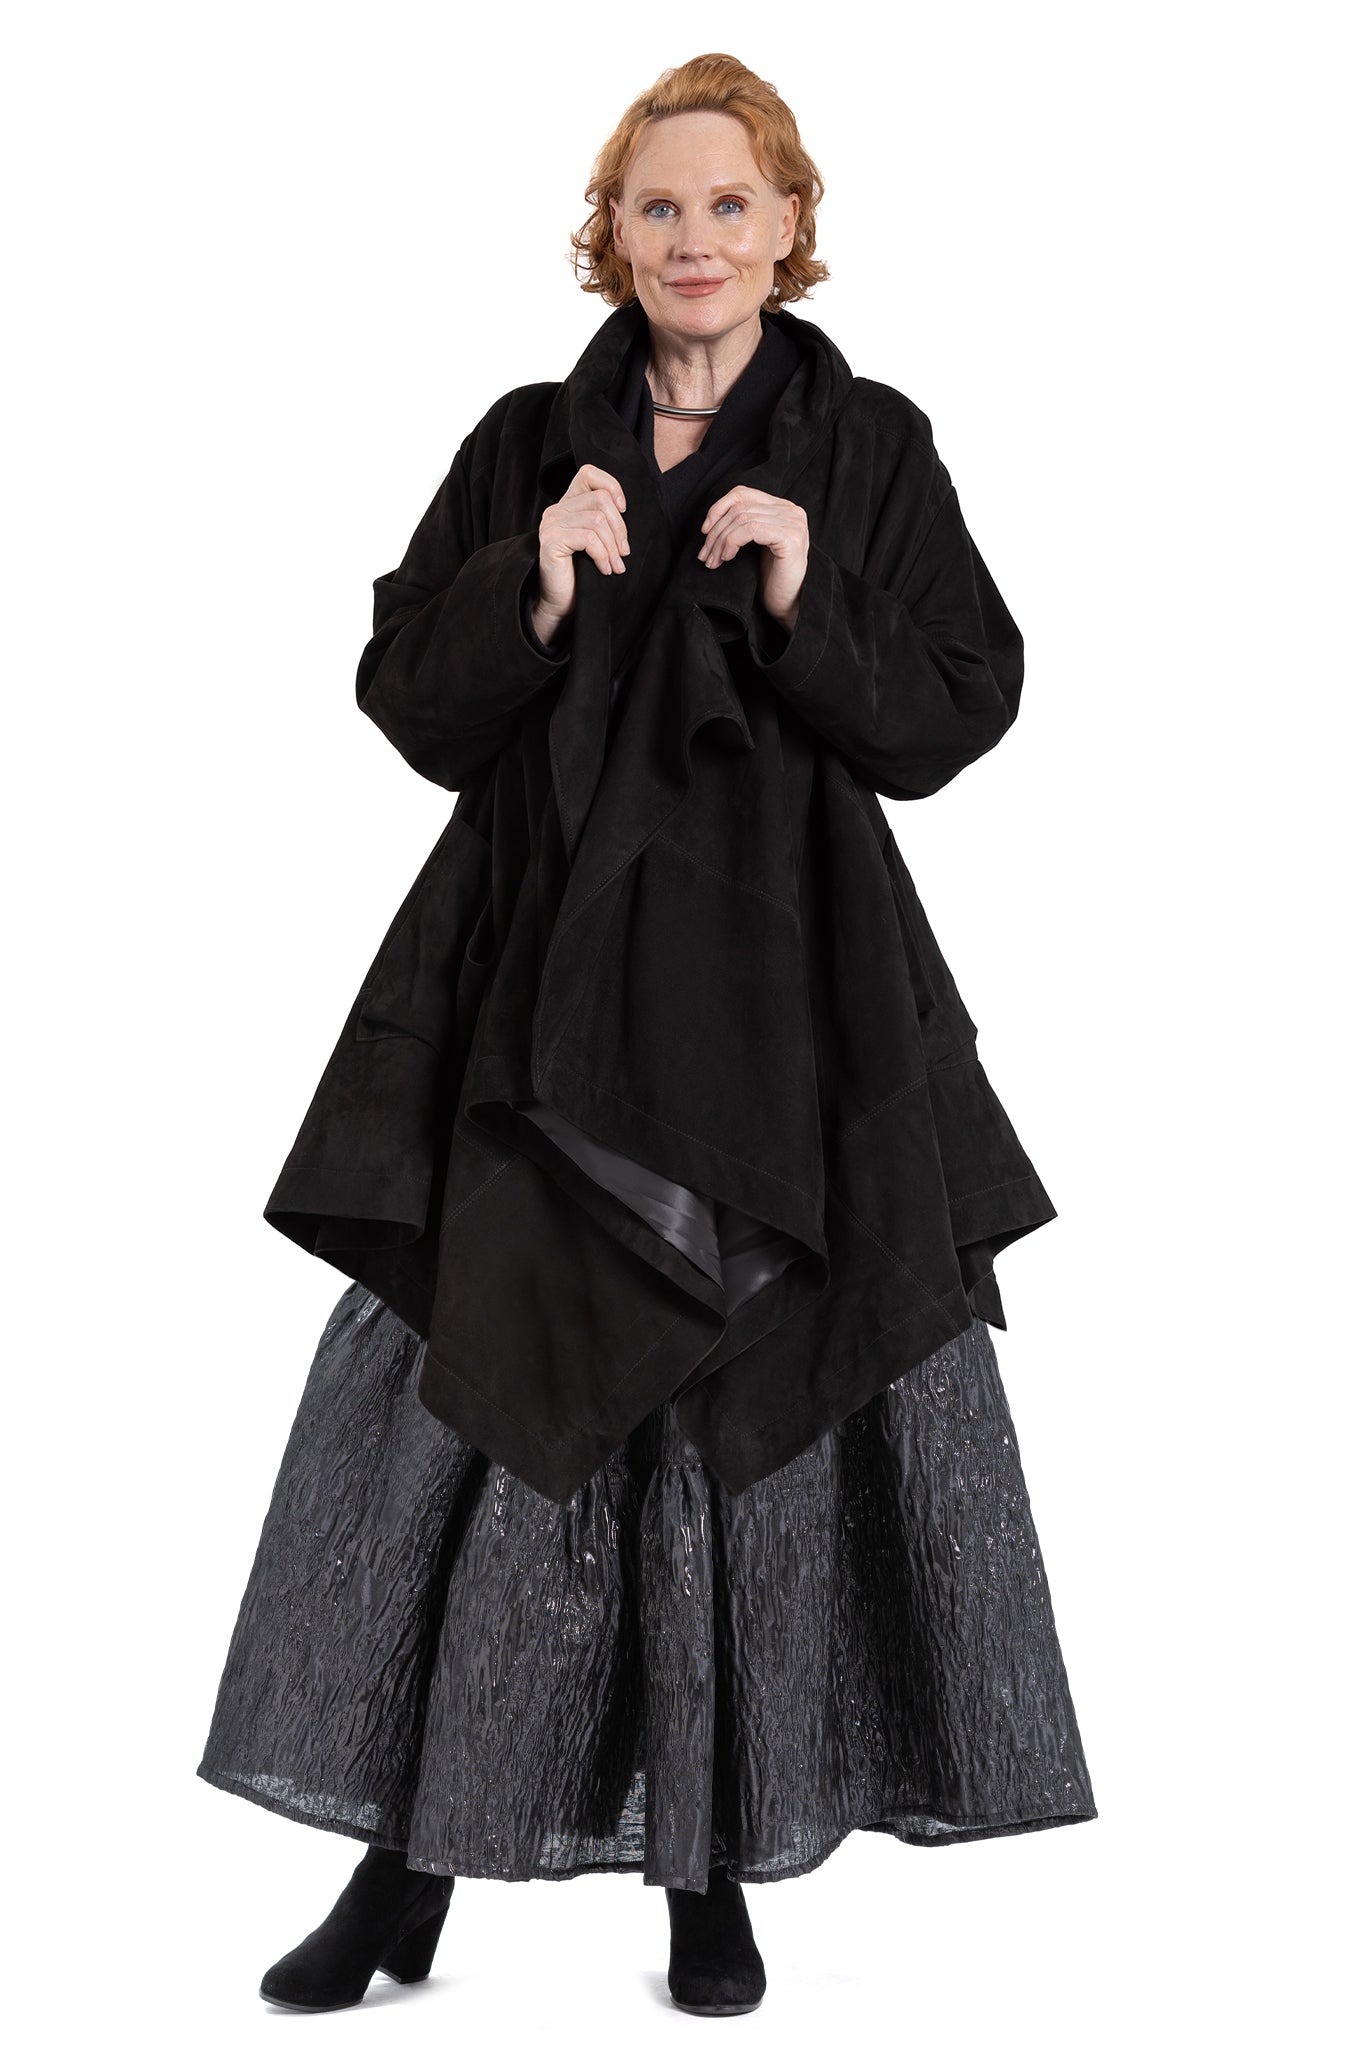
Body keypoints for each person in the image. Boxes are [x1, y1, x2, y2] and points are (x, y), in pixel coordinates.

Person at [197, 51, 1097, 2019]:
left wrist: (805, 586)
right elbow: (410, 702)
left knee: (728, 1422)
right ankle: (403, 1872)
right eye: (657, 205)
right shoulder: (532, 441)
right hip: (534, 997)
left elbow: (953, 711)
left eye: (727, 203)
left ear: (788, 226)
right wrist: (531, 583)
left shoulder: (866, 447)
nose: (692, 238)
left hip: (781, 1006)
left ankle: (708, 1875)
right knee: (485, 1398)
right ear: (609, 233)